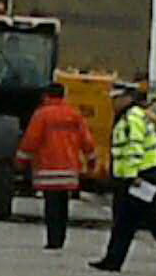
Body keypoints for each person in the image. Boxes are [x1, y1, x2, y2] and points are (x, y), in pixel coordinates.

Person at [91, 85, 156, 274]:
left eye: (116, 98)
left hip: (140, 176)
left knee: (152, 219)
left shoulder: (132, 118)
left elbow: (134, 148)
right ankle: (113, 259)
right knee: (124, 220)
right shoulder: (130, 117)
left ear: (127, 98)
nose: (113, 103)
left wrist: (132, 176)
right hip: (134, 176)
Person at [14, 83, 96, 250]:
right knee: (63, 204)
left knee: (51, 205)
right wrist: (91, 160)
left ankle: (53, 240)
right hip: (69, 169)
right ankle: (61, 238)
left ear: (46, 96)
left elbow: (31, 140)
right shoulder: (74, 115)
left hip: (48, 168)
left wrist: (21, 161)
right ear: (64, 95)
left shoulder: (42, 115)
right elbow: (86, 140)